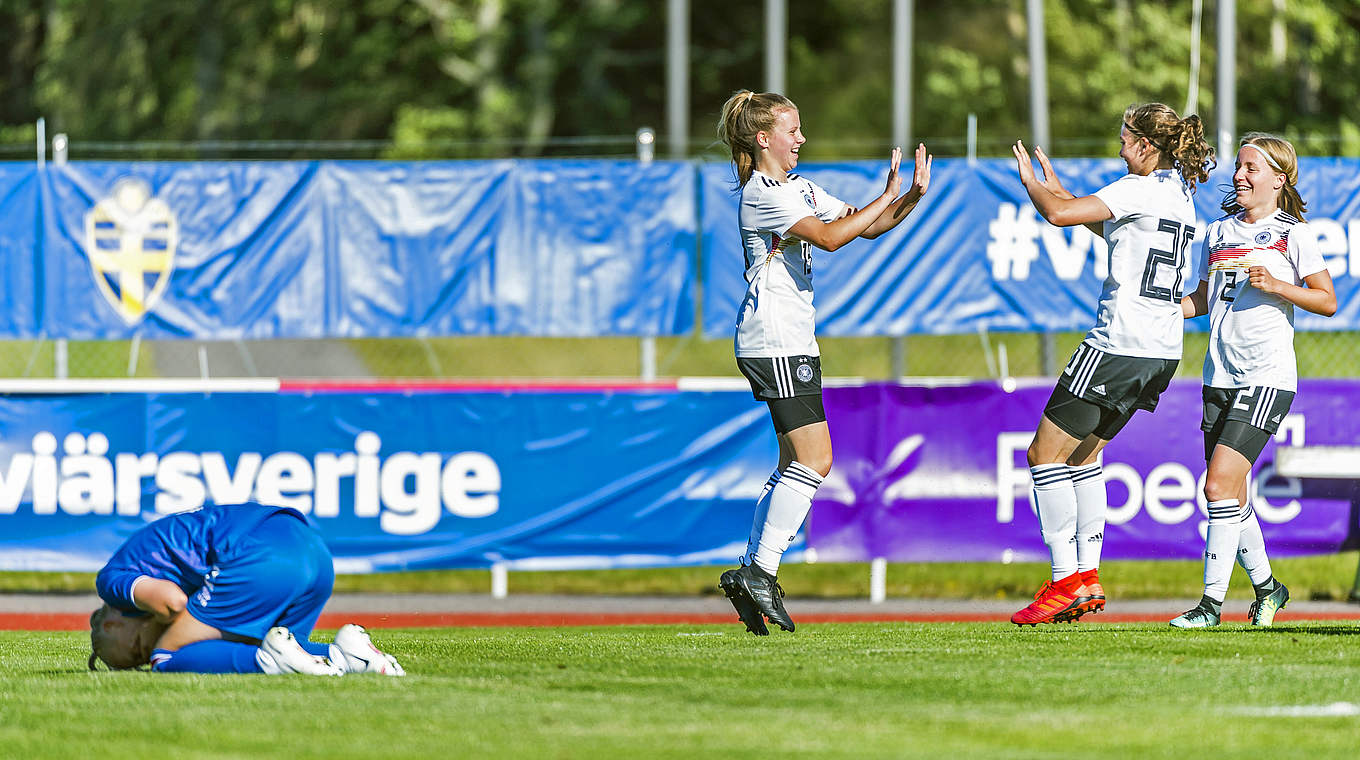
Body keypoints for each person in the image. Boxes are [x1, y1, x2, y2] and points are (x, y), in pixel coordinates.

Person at [713, 89, 931, 635]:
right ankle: (759, 571)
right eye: (792, 130)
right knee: (816, 460)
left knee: (794, 463)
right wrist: (888, 192)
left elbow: (867, 226)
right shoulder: (764, 193)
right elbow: (833, 238)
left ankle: (753, 572)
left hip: (788, 341)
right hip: (776, 340)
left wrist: (908, 198)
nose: (801, 139)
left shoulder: (798, 187)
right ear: (764, 139)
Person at [1009, 103, 1214, 626]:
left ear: (1147, 146)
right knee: (1084, 458)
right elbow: (1121, 234)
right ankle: (1088, 576)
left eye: (1125, 139)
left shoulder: (1136, 188)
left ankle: (1063, 582)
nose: (1119, 148)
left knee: (1044, 456)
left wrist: (1036, 187)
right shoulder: (1179, 195)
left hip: (1118, 342)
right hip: (1161, 351)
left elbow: (1058, 215)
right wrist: (1062, 194)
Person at [1171, 133, 1336, 628]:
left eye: (1251, 168)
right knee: (1232, 493)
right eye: (1239, 167)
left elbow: (1327, 301)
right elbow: (1202, 299)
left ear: (1279, 179)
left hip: (1266, 376)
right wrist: (1164, 310)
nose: (1239, 176)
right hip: (1217, 374)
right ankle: (1268, 588)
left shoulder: (1294, 234)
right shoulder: (1218, 231)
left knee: (1218, 484)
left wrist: (1278, 285)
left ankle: (1210, 606)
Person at [88, 502, 404, 676]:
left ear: (111, 622)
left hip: (258, 554)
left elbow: (171, 603)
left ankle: (266, 663)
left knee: (168, 656)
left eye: (137, 648)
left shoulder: (111, 580)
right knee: (280, 645)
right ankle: (349, 655)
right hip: (314, 551)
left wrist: (163, 643)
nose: (144, 650)